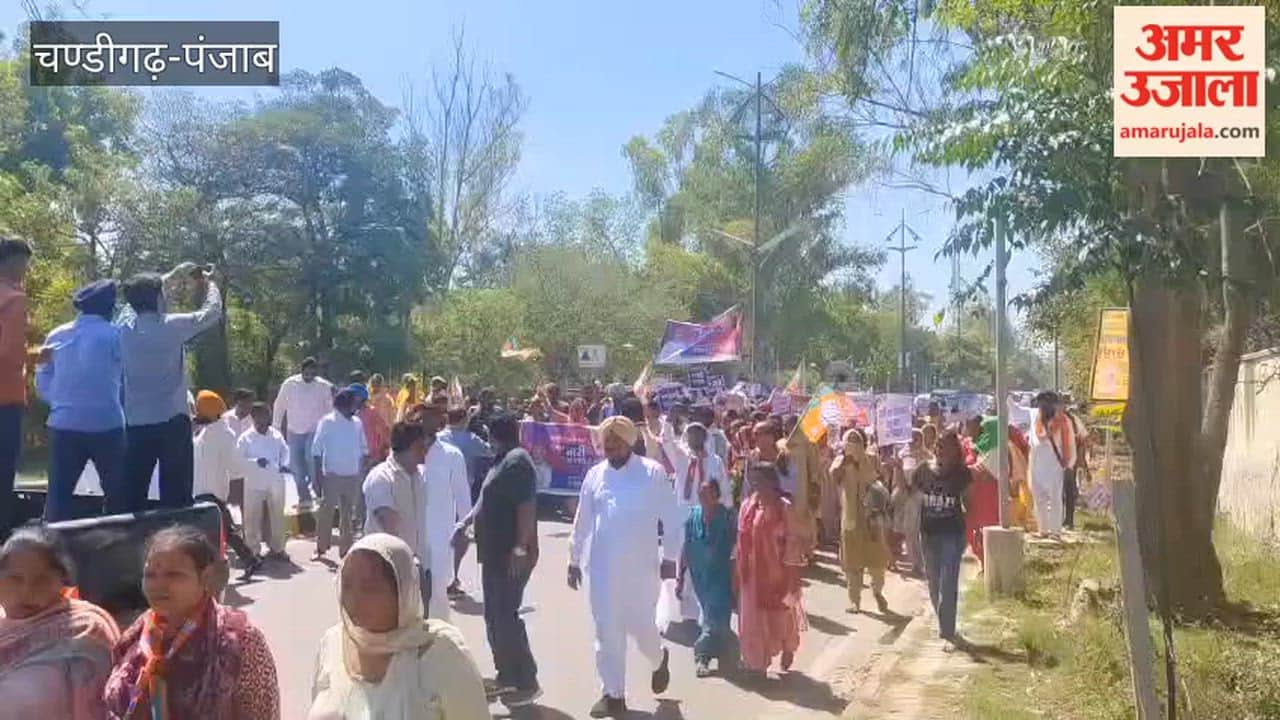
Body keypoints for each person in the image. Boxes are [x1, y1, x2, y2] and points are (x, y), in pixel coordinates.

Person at [568, 416, 681, 718]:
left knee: (642, 630)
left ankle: (658, 659)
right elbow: (583, 519)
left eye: (615, 442)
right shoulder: (595, 475)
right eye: (606, 444)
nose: (609, 448)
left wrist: (670, 557)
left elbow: (671, 518)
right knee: (607, 632)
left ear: (628, 442)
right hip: (602, 570)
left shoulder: (652, 473)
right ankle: (613, 694)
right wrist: (573, 558)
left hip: (641, 570)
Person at [104, 526, 280, 718]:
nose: (158, 585)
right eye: (150, 575)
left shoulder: (240, 640)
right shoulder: (137, 635)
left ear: (204, 578)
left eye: (173, 575)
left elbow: (263, 712)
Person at [307, 533, 489, 719]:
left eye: (369, 588)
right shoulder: (332, 645)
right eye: (346, 585)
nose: (353, 599)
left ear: (403, 592)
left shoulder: (440, 654)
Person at [118, 263, 223, 510]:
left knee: (133, 498)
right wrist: (211, 284)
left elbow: (129, 304)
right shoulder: (172, 326)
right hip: (173, 423)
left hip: (136, 424)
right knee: (176, 499)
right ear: (157, 297)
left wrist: (165, 278)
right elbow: (212, 311)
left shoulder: (123, 329)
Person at [454, 411, 541, 708]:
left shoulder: (517, 462)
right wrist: (465, 522)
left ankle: (526, 680)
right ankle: (506, 676)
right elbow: (484, 500)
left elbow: (526, 508)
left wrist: (520, 549)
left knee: (506, 616)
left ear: (494, 433)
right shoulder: (501, 459)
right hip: (493, 554)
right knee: (494, 616)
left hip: (510, 556)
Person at [0, 527, 120, 718]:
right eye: (15, 579)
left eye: (42, 580)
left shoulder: (84, 630)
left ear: (62, 582)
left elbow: (24, 703)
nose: (27, 591)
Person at [36, 280, 127, 520]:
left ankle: (50, 549)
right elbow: (129, 376)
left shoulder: (57, 334)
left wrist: (58, 401)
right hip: (107, 423)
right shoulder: (114, 335)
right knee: (117, 496)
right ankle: (117, 548)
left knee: (58, 497)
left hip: (63, 423)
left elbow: (42, 374)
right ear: (109, 307)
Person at [736, 462, 808, 676]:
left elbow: (794, 542)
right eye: (753, 480)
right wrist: (737, 570)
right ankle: (757, 662)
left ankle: (787, 646)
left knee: (781, 614)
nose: (757, 484)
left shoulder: (784, 508)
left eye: (761, 480)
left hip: (778, 571)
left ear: (772, 481)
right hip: (752, 572)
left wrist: (793, 577)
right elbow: (740, 540)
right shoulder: (748, 506)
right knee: (752, 618)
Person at [192, 390, 262, 580]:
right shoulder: (206, 431)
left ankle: (246, 561)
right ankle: (249, 560)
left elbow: (235, 466)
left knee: (222, 531)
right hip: (202, 489)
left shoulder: (224, 434)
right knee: (224, 530)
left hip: (212, 490)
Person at [363, 421, 432, 612]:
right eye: (421, 446)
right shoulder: (381, 478)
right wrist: (406, 563)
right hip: (388, 569)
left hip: (421, 566)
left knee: (420, 627)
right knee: (391, 627)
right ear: (408, 447)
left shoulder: (423, 476)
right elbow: (388, 523)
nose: (426, 451)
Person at [913, 430, 971, 650]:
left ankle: (947, 631)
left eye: (944, 446)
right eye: (937, 446)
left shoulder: (961, 474)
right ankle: (943, 622)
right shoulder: (923, 471)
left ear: (954, 450)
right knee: (934, 582)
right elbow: (909, 489)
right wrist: (897, 470)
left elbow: (969, 503)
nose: (939, 450)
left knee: (948, 583)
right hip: (928, 533)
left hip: (952, 533)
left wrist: (969, 532)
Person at [677, 479, 737, 678]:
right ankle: (725, 653)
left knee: (713, 619)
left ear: (716, 495)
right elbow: (686, 546)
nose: (702, 497)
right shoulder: (693, 516)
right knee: (712, 617)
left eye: (707, 493)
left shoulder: (727, 517)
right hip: (700, 577)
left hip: (722, 576)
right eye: (700, 493)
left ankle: (702, 656)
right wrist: (680, 577)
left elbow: (738, 548)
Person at [418, 404, 472, 620]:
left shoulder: (452, 456)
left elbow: (463, 497)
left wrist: (465, 528)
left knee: (437, 600)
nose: (424, 424)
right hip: (410, 539)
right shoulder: (405, 454)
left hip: (441, 539)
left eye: (429, 420)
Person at [830, 429, 892, 614]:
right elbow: (834, 477)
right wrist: (844, 464)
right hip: (850, 519)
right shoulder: (839, 461)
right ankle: (854, 600)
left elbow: (882, 480)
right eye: (849, 440)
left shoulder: (871, 458)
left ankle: (878, 592)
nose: (853, 444)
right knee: (852, 564)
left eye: (856, 440)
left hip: (871, 519)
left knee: (877, 561)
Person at [438, 406, 493, 597]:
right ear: (464, 420)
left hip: (438, 491)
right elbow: (490, 451)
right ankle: (452, 578)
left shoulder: (437, 438)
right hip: (461, 492)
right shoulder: (470, 439)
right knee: (461, 535)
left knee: (439, 534)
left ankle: (438, 578)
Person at [312, 389, 369, 560]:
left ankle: (345, 551)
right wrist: (317, 477)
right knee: (326, 513)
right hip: (332, 475)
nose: (357, 407)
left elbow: (363, 448)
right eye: (354, 403)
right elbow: (316, 450)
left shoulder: (357, 423)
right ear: (344, 404)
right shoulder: (327, 421)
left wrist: (363, 468)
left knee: (348, 516)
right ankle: (321, 548)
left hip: (352, 475)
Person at [0, 239, 31, 537]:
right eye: (24, 262)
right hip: (5, 396)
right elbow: (10, 353)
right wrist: (36, 355)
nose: (25, 269)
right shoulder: (13, 298)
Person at [273, 357, 334, 508]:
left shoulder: (324, 386)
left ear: (316, 373)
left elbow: (331, 410)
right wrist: (276, 427)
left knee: (312, 461)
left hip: (315, 431)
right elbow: (279, 405)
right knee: (296, 467)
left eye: (312, 374)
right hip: (294, 431)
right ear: (301, 371)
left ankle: (318, 493)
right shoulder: (290, 384)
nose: (309, 377)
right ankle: (304, 498)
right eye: (307, 374)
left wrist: (330, 431)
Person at [238, 402, 292, 562]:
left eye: (267, 415)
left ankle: (278, 548)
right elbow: (238, 460)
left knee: (277, 516)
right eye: (262, 416)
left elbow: (285, 451)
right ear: (254, 418)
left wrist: (284, 464)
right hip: (254, 481)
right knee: (252, 517)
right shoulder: (245, 438)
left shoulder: (276, 434)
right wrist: (255, 462)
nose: (266, 419)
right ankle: (253, 551)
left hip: (275, 480)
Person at [1029, 391, 1075, 536]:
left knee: (1055, 497)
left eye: (1044, 404)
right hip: (1037, 462)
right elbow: (1034, 440)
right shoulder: (1037, 419)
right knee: (1039, 497)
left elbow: (1069, 444)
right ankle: (1043, 529)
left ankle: (1055, 531)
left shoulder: (1063, 421)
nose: (1041, 407)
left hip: (1054, 463)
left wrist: (1068, 463)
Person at [352, 383, 390, 467]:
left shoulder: (372, 412)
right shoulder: (352, 415)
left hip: (372, 457)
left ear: (361, 398)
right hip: (357, 456)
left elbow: (384, 430)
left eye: (353, 397)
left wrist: (381, 448)